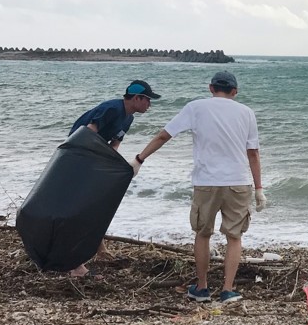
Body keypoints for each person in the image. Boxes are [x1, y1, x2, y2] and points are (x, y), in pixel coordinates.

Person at [131, 71, 266, 304]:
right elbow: (252, 152)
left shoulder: (196, 107)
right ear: (234, 91)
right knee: (234, 237)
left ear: (211, 88)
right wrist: (258, 188)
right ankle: (228, 290)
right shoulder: (247, 112)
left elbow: (164, 136)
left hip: (206, 182)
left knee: (202, 234)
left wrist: (140, 159)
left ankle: (202, 288)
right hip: (238, 181)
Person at [67, 79, 160, 277]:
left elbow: (114, 144)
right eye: (147, 100)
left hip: (94, 162)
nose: (149, 105)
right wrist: (92, 165)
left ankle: (100, 251)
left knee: (97, 206)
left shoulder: (129, 118)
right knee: (81, 208)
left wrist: (115, 167)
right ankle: (76, 265)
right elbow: (88, 132)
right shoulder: (111, 108)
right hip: (77, 158)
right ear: (137, 98)